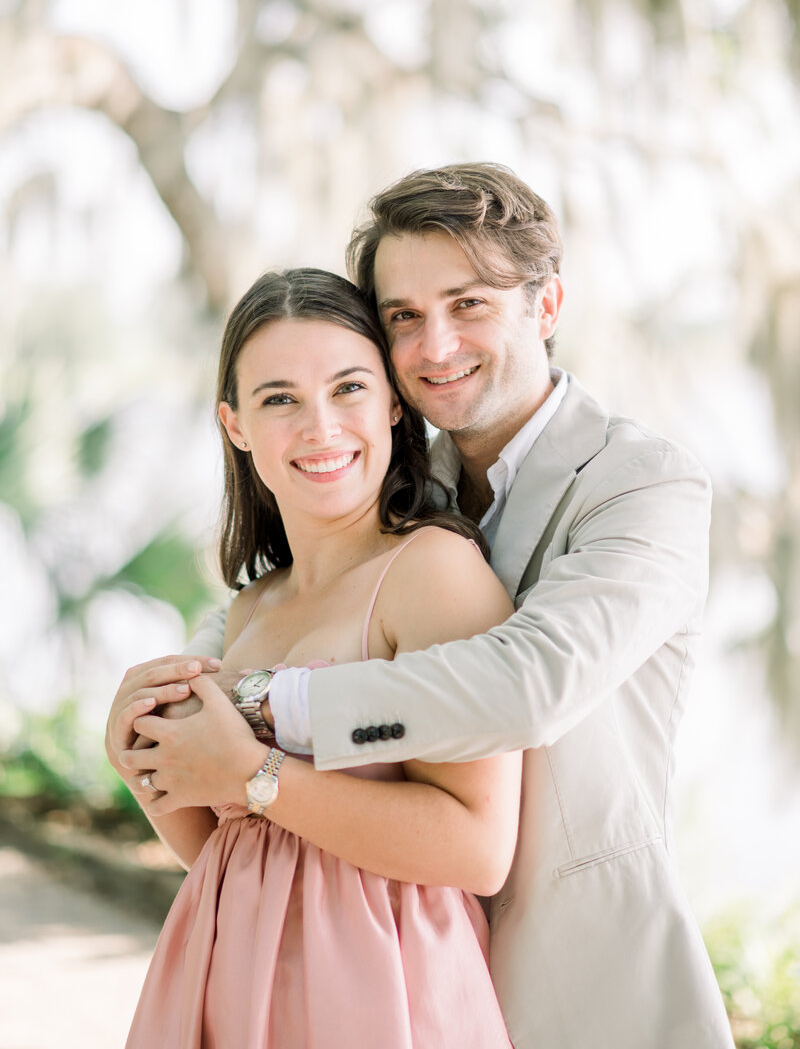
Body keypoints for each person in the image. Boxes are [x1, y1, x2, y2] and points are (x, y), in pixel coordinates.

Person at [109, 164, 735, 1049]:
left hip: (578, 974)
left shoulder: (642, 484)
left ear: (547, 306)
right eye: (404, 316)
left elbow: (529, 685)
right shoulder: (387, 494)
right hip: (370, 975)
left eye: (469, 303)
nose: (435, 344)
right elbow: (230, 663)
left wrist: (261, 715)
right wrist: (153, 723)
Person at [108, 267, 520, 1048]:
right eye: (280, 399)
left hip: (374, 989)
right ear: (235, 425)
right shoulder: (251, 607)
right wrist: (146, 769)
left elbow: (478, 849)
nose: (321, 427)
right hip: (226, 972)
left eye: (349, 388)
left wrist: (252, 775)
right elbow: (229, 852)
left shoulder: (430, 572)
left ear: (394, 404)